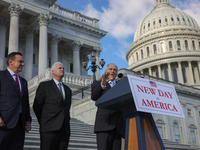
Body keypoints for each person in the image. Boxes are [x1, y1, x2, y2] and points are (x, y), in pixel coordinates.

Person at [33, 62, 72, 150]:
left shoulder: (68, 90)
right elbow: (37, 106)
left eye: (63, 68)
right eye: (60, 68)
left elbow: (67, 108)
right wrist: (44, 121)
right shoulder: (44, 86)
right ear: (53, 71)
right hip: (49, 128)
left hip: (64, 130)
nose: (62, 70)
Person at [0, 52, 32, 150]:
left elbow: (25, 102)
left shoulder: (23, 81)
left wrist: (28, 120)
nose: (23, 64)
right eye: (20, 61)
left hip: (19, 125)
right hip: (4, 123)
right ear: (11, 62)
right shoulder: (1, 76)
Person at [91, 63, 125, 150]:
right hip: (104, 125)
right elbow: (94, 97)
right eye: (110, 69)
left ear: (116, 73)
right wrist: (103, 83)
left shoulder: (121, 86)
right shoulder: (98, 83)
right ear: (106, 71)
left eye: (114, 70)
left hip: (118, 127)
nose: (112, 71)